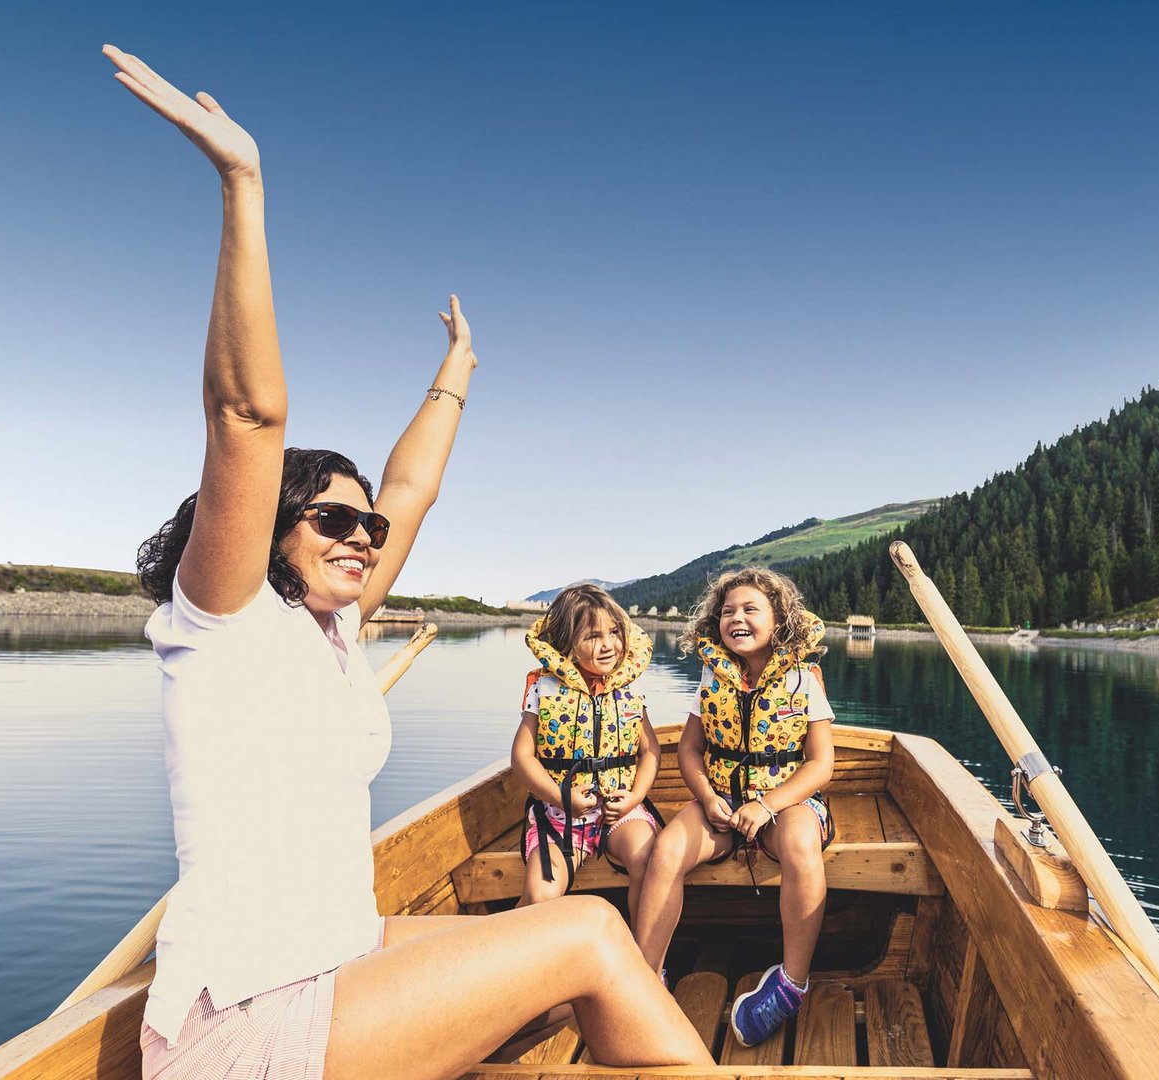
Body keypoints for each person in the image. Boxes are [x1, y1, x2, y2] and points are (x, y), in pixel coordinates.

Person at [104, 45, 710, 1080]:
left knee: (579, 975)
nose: (361, 537)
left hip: (337, 959)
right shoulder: (224, 621)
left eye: (365, 528)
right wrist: (243, 185)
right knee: (593, 940)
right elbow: (247, 415)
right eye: (331, 521)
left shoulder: (329, 629)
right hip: (245, 1018)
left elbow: (410, 491)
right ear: (265, 530)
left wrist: (458, 371)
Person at [634, 567, 836, 1047]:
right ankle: (642, 980)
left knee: (801, 844)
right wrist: (708, 798)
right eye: (727, 612)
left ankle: (790, 985)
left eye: (750, 610)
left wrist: (767, 805)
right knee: (666, 850)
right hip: (720, 801)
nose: (737, 618)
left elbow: (820, 764)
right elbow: (688, 750)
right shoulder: (712, 674)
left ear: (779, 618)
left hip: (786, 801)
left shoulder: (804, 678)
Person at [510, 585, 662, 913]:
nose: (608, 645)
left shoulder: (628, 687)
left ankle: (641, 954)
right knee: (540, 894)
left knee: (648, 858)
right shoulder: (544, 687)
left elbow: (650, 752)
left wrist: (634, 798)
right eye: (593, 636)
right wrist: (560, 797)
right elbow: (522, 757)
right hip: (559, 812)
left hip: (619, 810)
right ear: (566, 642)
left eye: (615, 632)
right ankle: (504, 943)